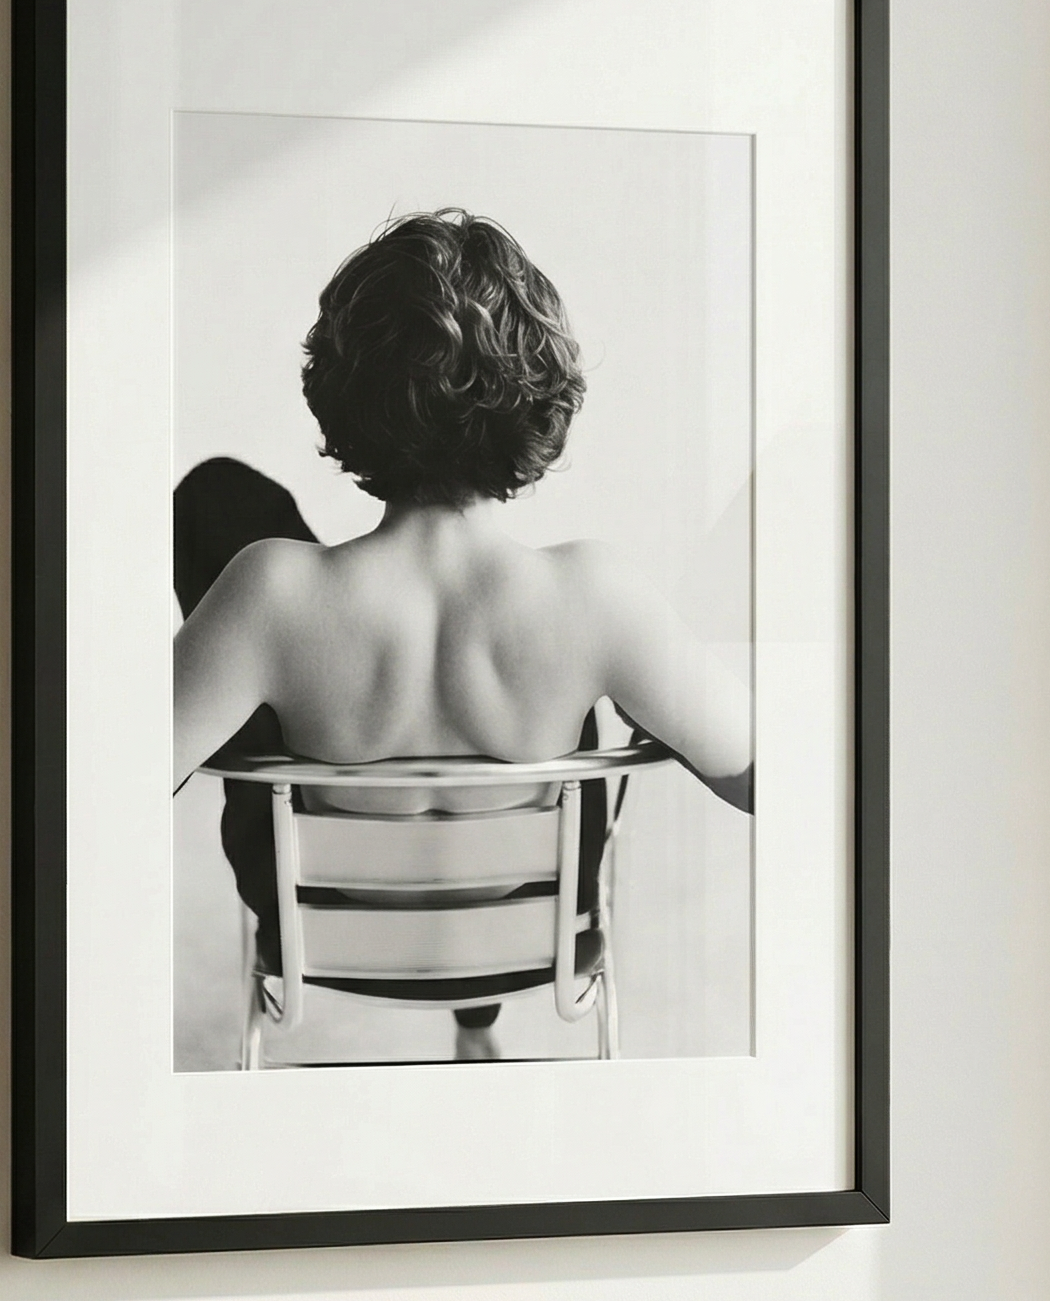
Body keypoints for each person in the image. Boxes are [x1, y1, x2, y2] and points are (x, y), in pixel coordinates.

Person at [173, 208, 750, 1061]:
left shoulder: (271, 592)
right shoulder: (596, 593)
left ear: (338, 392)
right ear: (542, 394)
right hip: (529, 947)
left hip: (323, 948)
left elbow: (93, 799)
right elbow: (759, 781)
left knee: (219, 498)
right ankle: (476, 1021)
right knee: (588, 687)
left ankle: (325, 678)